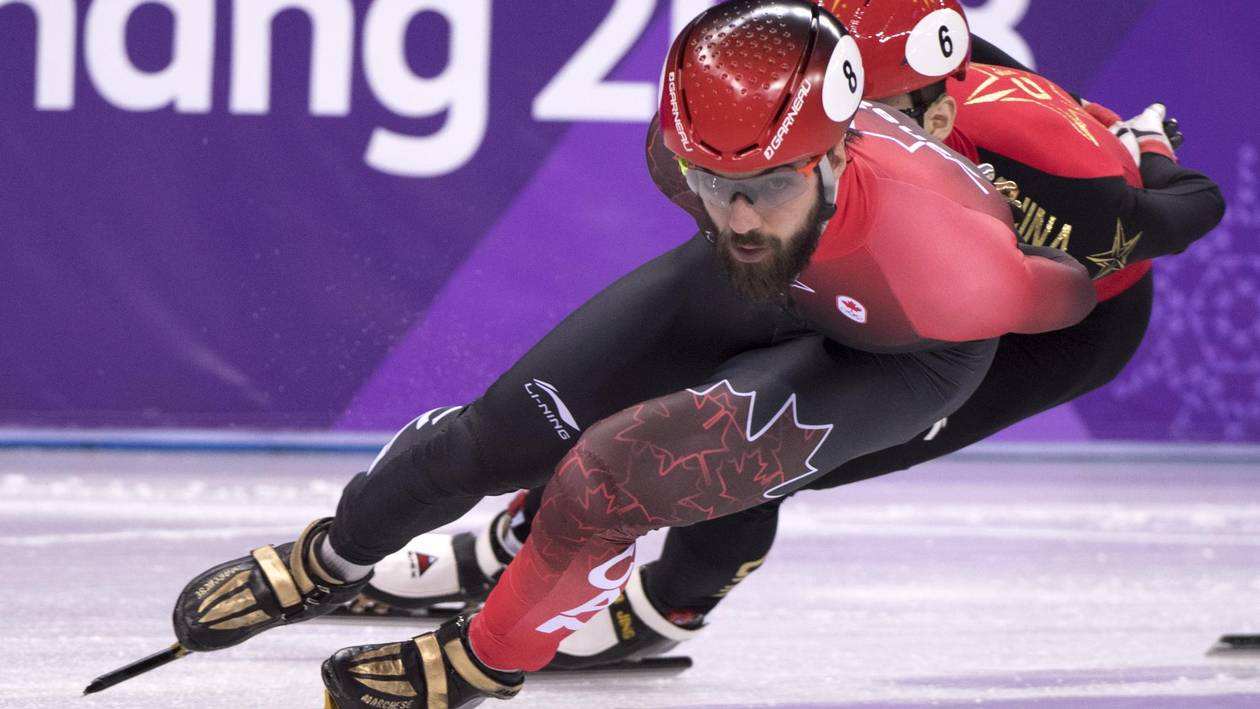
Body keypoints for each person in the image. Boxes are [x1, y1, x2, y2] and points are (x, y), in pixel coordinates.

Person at [164, 2, 1095, 707]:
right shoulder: (690, 160)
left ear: (836, 157)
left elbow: (1070, 298)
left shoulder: (958, 266)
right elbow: (736, 204)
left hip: (906, 352)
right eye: (710, 182)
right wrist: (756, 203)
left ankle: (482, 661)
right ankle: (329, 556)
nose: (733, 213)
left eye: (764, 185)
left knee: (608, 478)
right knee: (498, 435)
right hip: (788, 282)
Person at [354, 0, 1226, 673]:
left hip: (1044, 322)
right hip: (904, 253)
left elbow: (1189, 208)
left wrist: (1144, 145)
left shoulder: (1052, 164)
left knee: (772, 442)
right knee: (681, 367)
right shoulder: (862, 90)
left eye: (849, 118)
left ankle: (669, 607)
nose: (821, 137)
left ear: (925, 111)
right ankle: (521, 535)